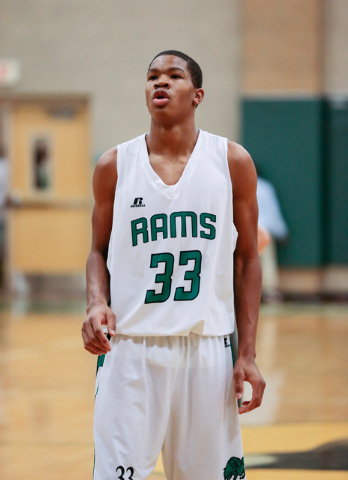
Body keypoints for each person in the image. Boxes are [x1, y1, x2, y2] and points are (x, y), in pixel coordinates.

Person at [82, 50, 265, 480]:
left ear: (197, 95)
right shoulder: (114, 166)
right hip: (129, 349)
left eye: (173, 76)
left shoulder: (231, 162)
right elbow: (97, 250)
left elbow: (249, 258)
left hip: (207, 352)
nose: (160, 83)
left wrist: (249, 353)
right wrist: (95, 303)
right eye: (152, 77)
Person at [257, 175, 288, 301]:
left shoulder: (263, 187)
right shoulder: (265, 187)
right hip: (262, 229)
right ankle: (269, 292)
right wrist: (281, 231)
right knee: (266, 262)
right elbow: (273, 211)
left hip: (255, 229)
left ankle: (267, 292)